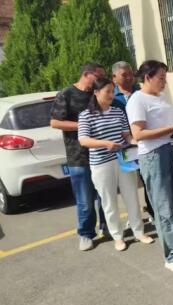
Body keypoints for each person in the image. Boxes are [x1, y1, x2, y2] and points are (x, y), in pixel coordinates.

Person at [126, 60, 173, 273]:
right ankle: (171, 255)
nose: (164, 82)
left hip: (171, 150)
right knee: (164, 206)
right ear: (147, 77)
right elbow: (138, 134)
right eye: (161, 78)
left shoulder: (161, 96)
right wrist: (170, 128)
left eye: (165, 78)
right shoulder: (137, 100)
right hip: (153, 155)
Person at [78, 77, 154, 251]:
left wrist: (135, 142)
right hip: (101, 164)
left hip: (124, 160)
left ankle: (138, 232)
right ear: (96, 93)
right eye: (108, 92)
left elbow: (126, 135)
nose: (112, 95)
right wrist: (105, 144)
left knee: (132, 197)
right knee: (109, 202)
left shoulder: (118, 112)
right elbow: (83, 140)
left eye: (113, 91)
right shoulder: (85, 115)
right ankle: (118, 237)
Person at [50, 62, 108, 251]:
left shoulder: (96, 94)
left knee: (105, 195)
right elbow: (55, 122)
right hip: (78, 156)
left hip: (101, 153)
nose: (101, 80)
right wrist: (83, 124)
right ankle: (86, 234)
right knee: (85, 200)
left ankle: (107, 226)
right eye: (99, 76)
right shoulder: (66, 94)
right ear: (86, 74)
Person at [111, 60, 154, 221]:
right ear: (114, 77)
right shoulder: (111, 97)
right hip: (123, 146)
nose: (129, 77)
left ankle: (153, 212)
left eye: (131, 74)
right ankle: (133, 218)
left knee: (148, 180)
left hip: (143, 142)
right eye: (124, 75)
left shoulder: (142, 91)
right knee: (128, 185)